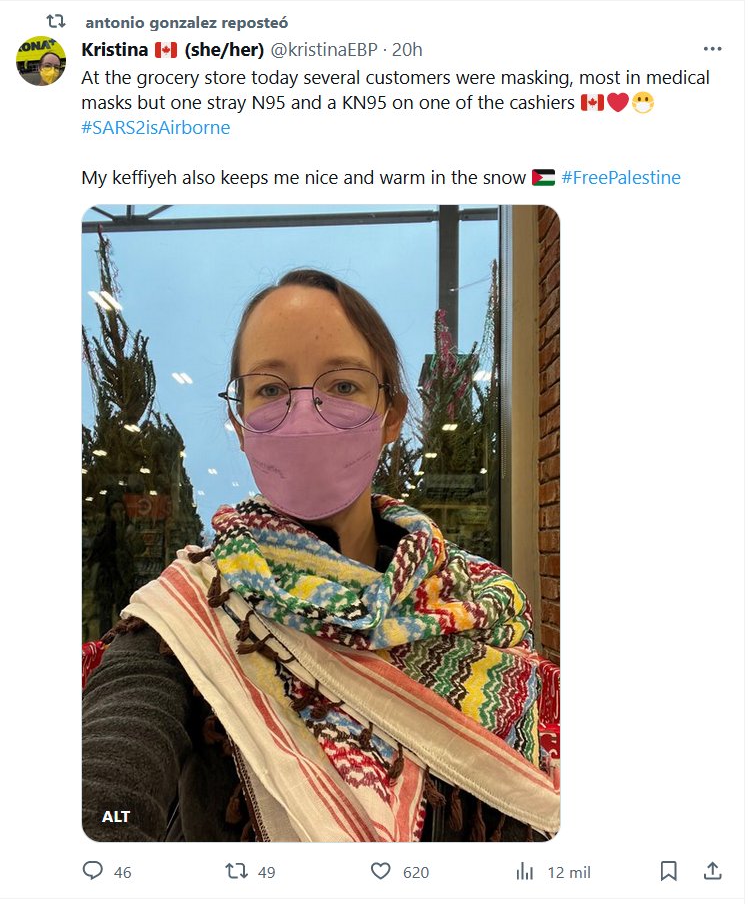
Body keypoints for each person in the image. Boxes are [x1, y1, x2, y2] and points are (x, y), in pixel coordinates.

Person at [82, 269, 559, 842]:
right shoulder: (189, 611)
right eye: (270, 389)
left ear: (392, 414)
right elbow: (114, 762)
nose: (305, 416)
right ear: (240, 424)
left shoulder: (481, 602)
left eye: (344, 385)